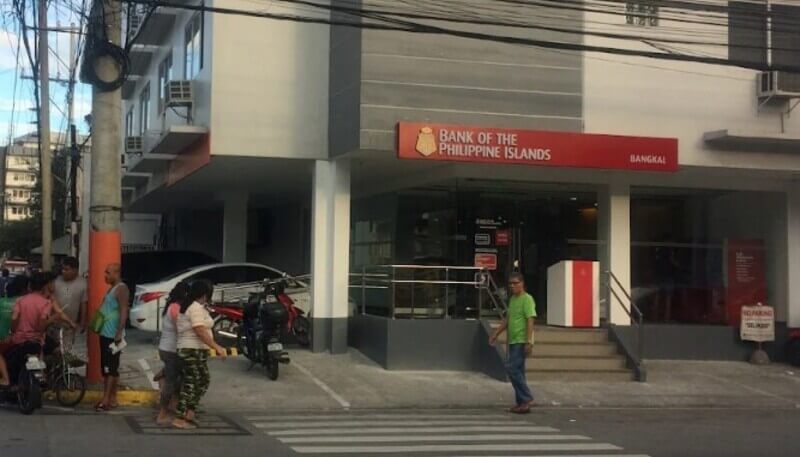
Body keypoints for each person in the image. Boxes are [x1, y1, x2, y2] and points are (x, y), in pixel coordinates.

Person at [173, 280, 227, 430]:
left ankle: (190, 412)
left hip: (197, 350)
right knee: (192, 383)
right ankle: (179, 417)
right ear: (204, 294)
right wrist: (217, 347)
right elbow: (200, 330)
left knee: (203, 380)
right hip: (191, 350)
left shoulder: (196, 307)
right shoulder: (194, 308)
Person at [489, 272, 536, 414]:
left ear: (522, 283)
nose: (512, 286)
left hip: (521, 340)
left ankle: (527, 398)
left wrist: (528, 341)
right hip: (513, 340)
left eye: (515, 283)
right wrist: (496, 333)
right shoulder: (513, 300)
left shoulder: (527, 299)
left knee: (511, 369)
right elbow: (507, 320)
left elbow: (530, 320)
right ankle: (521, 403)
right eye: (510, 284)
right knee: (518, 371)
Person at [93, 263, 130, 412]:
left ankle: (106, 400)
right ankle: (112, 398)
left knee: (110, 369)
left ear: (116, 273)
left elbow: (123, 310)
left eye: (108, 273)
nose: (105, 276)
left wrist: (119, 332)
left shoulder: (121, 289)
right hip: (105, 333)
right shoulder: (112, 289)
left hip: (112, 335)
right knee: (109, 367)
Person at [156, 281, 190, 426]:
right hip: (171, 350)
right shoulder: (176, 308)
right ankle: (162, 414)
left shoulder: (172, 306)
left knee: (178, 378)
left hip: (168, 349)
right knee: (171, 382)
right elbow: (180, 328)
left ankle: (173, 406)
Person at [52, 257, 88, 346]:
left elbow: (84, 304)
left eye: (66, 269)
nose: (63, 271)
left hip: (70, 326)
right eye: (63, 269)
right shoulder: (55, 281)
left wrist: (83, 323)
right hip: (53, 324)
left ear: (75, 270)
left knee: (66, 351)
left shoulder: (83, 284)